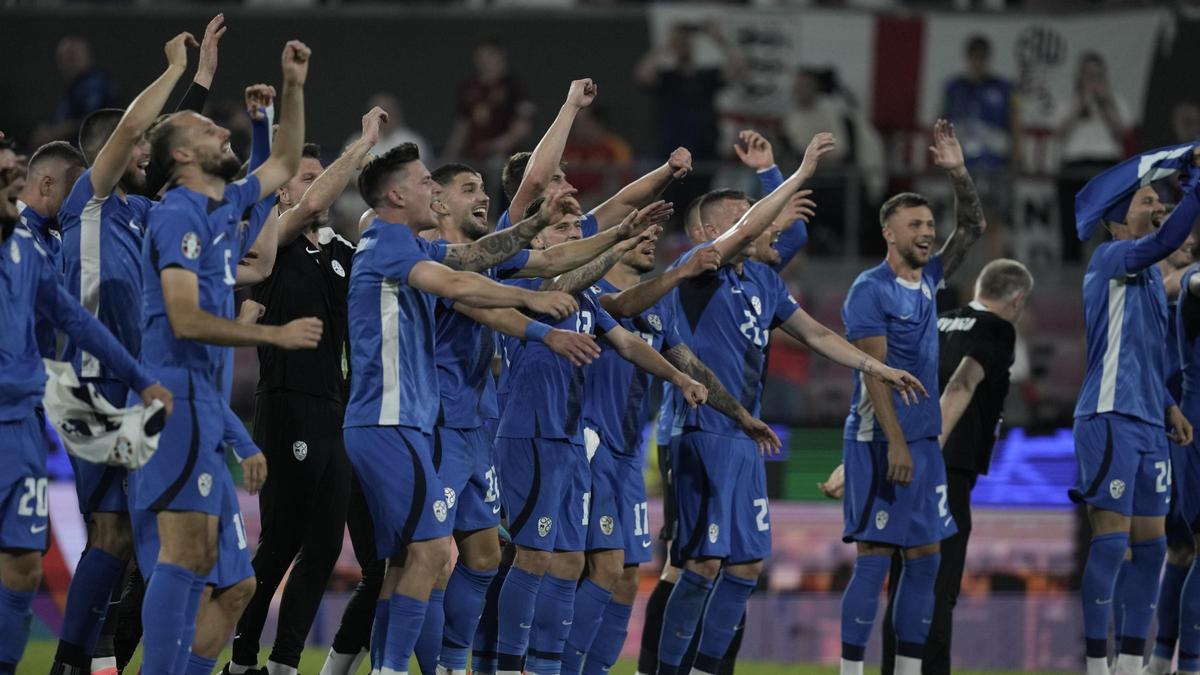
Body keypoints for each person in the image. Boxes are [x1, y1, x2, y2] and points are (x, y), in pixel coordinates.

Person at [653, 132, 923, 675]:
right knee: (699, 563)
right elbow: (760, 228)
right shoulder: (696, 271)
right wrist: (794, 174)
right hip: (700, 430)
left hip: (746, 437)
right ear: (711, 231)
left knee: (747, 564)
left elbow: (819, 335)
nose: (758, 220)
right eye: (745, 215)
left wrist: (879, 367)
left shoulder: (763, 282)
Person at [345, 142, 587, 675]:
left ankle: (440, 666)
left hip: (426, 422)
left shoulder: (409, 246)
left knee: (458, 555)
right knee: (422, 558)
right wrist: (532, 305)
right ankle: (403, 668)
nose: (432, 188)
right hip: (403, 421)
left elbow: (480, 259)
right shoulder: (388, 242)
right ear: (396, 193)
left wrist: (544, 226)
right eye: (427, 181)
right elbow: (461, 286)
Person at [415, 163, 661, 675]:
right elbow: (553, 255)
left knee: (517, 560)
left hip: (545, 435)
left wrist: (682, 381)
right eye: (469, 188)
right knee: (434, 561)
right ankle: (457, 665)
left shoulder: (577, 289)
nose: (573, 220)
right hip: (493, 428)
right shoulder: (486, 258)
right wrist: (571, 104)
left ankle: (528, 667)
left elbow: (622, 333)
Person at [131, 36, 320, 674]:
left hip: (206, 407)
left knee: (237, 587)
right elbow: (184, 319)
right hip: (173, 400)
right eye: (207, 126)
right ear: (183, 155)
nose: (222, 129)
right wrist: (273, 336)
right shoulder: (177, 214)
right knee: (183, 556)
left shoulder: (224, 204)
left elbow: (287, 158)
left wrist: (293, 86)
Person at [563, 200, 786, 675]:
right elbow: (620, 316)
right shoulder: (588, 291)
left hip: (625, 451)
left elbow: (685, 362)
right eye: (640, 231)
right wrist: (679, 273)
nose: (651, 240)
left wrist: (740, 413)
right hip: (584, 441)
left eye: (653, 234)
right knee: (574, 567)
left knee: (625, 579)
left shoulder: (657, 306)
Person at [490, 196, 711, 675]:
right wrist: (621, 238)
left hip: (567, 440)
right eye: (566, 229)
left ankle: (553, 668)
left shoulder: (586, 299)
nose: (576, 235)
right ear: (540, 240)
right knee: (533, 558)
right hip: (532, 434)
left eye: (578, 228)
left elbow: (629, 342)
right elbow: (564, 280)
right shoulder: (528, 281)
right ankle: (505, 665)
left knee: (571, 563)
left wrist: (680, 379)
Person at [52, 33, 201, 675]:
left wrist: (199, 85)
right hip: (91, 384)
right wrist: (173, 68)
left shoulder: (142, 212)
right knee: (158, 532)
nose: (147, 151)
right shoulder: (91, 198)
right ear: (111, 151)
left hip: (133, 387)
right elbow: (140, 124)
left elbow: (172, 147)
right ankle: (160, 662)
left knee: (116, 537)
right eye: (137, 144)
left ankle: (80, 662)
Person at [0, 130, 172, 675]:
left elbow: (73, 319)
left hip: (37, 413)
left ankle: (78, 661)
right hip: (81, 394)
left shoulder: (37, 245)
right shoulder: (51, 225)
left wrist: (141, 376)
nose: (17, 183)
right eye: (8, 174)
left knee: (66, 552)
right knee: (130, 532)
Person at [226, 107, 389, 675]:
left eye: (318, 175)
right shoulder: (269, 242)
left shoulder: (341, 254)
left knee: (322, 547)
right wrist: (364, 142)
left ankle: (285, 664)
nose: (314, 187)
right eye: (303, 176)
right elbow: (313, 205)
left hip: (338, 411)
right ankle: (241, 659)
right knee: (278, 546)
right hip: (286, 403)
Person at [838, 119, 988, 675]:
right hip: (881, 439)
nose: (928, 232)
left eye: (929, 223)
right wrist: (896, 443)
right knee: (875, 560)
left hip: (924, 440)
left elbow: (973, 225)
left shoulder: (928, 281)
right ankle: (851, 671)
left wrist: (958, 172)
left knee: (926, 560)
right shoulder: (868, 290)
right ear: (889, 233)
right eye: (915, 225)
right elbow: (873, 374)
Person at [1070, 146, 1200, 675]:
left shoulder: (1146, 277)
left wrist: (1170, 407)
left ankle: (1129, 665)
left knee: (1152, 551)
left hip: (1148, 422)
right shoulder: (1113, 259)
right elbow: (1170, 241)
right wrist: (1196, 187)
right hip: (1109, 416)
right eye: (1149, 199)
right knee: (1110, 543)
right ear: (1117, 219)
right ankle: (1097, 666)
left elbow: (1145, 354)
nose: (1159, 205)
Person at [880, 259, 1034, 675]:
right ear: (1017, 301)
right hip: (943, 468)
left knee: (903, 582)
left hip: (904, 462)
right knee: (937, 584)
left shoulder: (940, 321)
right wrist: (931, 450)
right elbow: (963, 384)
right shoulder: (999, 329)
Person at [1145, 232, 1200, 675]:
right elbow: (1173, 285)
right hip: (1172, 429)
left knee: (1179, 552)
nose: (1193, 239)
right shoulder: (1146, 289)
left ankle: (1162, 657)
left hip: (1178, 428)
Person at [1056, 52, 1131, 261]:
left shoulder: (1115, 101)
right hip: (1074, 165)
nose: (1092, 79)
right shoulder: (1069, 102)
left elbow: (1122, 131)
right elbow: (1060, 130)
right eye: (1088, 75)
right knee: (1071, 224)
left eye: (1096, 74)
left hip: (1106, 163)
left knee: (1112, 221)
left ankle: (1112, 264)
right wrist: (1082, 101)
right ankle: (1071, 264)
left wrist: (1104, 102)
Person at [941, 36, 1018, 231]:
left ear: (988, 59)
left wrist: (1016, 159)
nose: (977, 63)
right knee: (962, 220)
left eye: (981, 58)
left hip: (995, 165)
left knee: (994, 220)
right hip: (962, 165)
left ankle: (995, 262)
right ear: (967, 58)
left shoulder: (1005, 89)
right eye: (974, 58)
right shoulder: (953, 88)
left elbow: (1015, 125)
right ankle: (960, 261)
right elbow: (942, 124)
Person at [443, 39, 533, 162]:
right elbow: (462, 125)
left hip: (504, 158)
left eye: (492, 56)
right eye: (483, 57)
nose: (487, 62)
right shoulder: (469, 86)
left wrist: (497, 146)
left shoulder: (514, 87)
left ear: (501, 57)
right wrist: (450, 155)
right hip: (473, 156)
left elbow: (523, 126)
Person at [32, 37, 122, 147]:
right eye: (63, 58)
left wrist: (57, 131)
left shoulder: (96, 83)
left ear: (87, 56)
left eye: (73, 56)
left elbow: (94, 120)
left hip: (95, 152)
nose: (67, 62)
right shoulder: (74, 86)